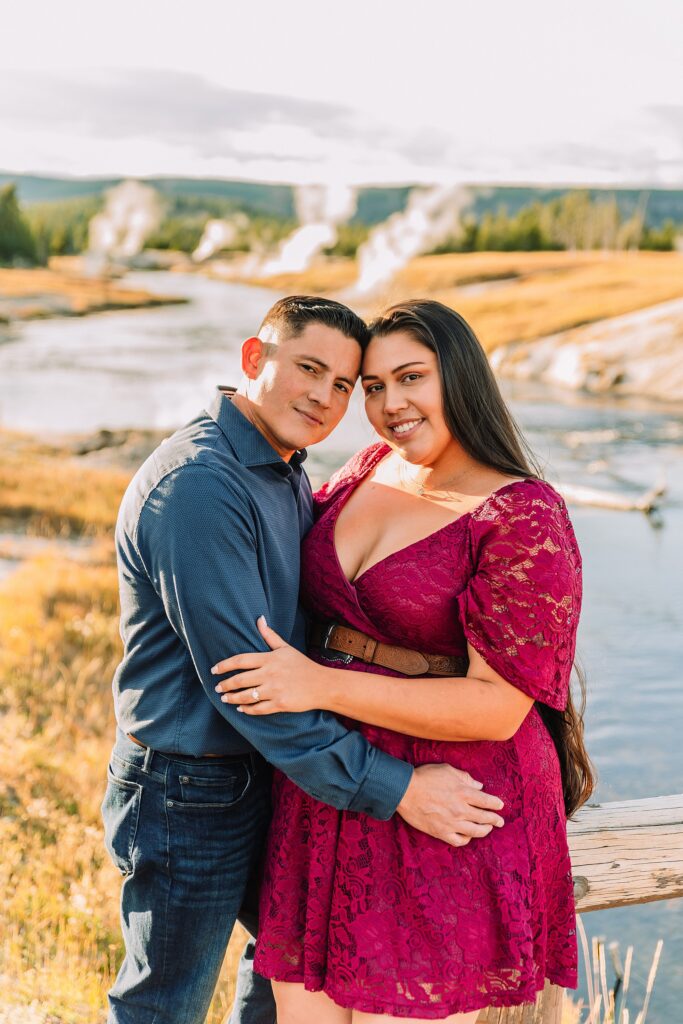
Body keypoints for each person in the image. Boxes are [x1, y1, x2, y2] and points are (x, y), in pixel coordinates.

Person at [101, 296, 505, 1024]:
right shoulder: (201, 487)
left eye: (346, 385)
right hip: (188, 788)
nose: (324, 396)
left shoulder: (283, 467)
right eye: (308, 369)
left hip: (270, 776)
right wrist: (395, 786)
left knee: (288, 972)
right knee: (165, 1003)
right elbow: (251, 685)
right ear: (255, 360)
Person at [213, 299, 595, 1023]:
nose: (390, 405)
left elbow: (498, 704)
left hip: (446, 803)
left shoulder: (522, 514)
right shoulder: (368, 468)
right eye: (373, 388)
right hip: (331, 791)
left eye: (411, 377)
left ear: (460, 376)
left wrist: (317, 682)